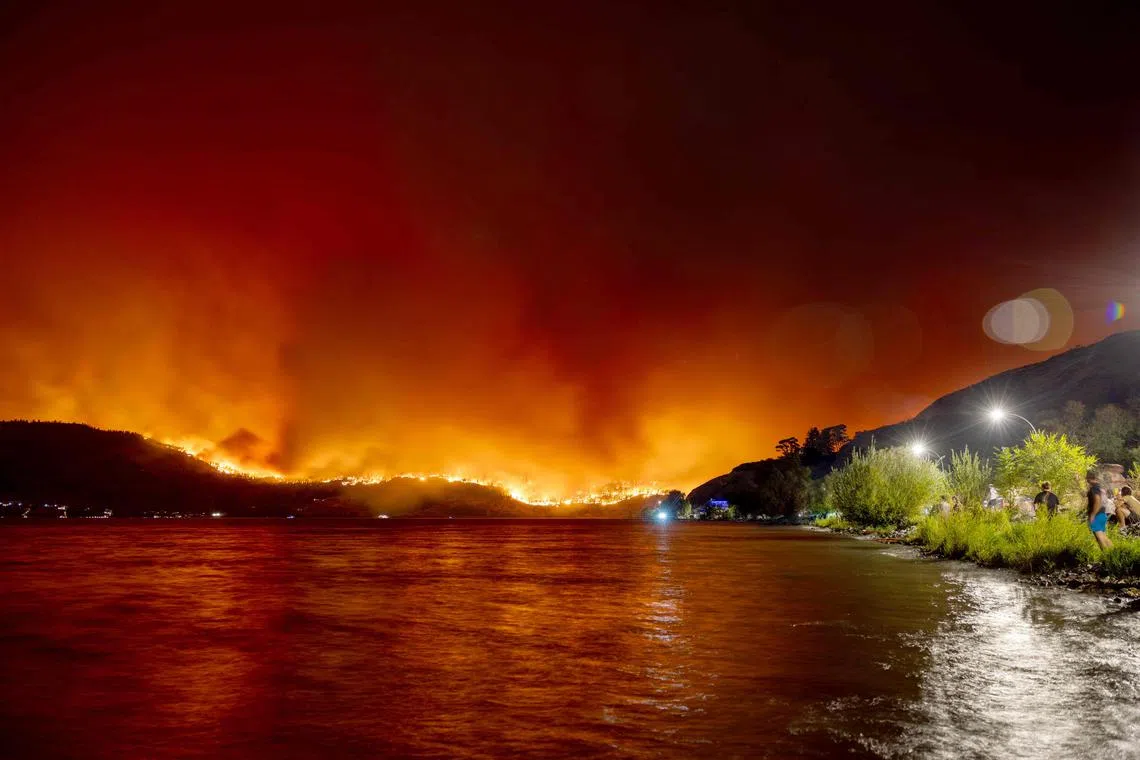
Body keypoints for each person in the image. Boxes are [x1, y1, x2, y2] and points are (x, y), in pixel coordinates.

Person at [1086, 470, 1113, 551]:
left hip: (1097, 515)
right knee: (1103, 537)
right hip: (1102, 514)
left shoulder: (1094, 488)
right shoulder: (1100, 487)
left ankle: (1106, 558)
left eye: (1086, 477)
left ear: (1089, 478)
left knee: (1100, 538)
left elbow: (1098, 500)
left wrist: (1093, 514)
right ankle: (1114, 554)